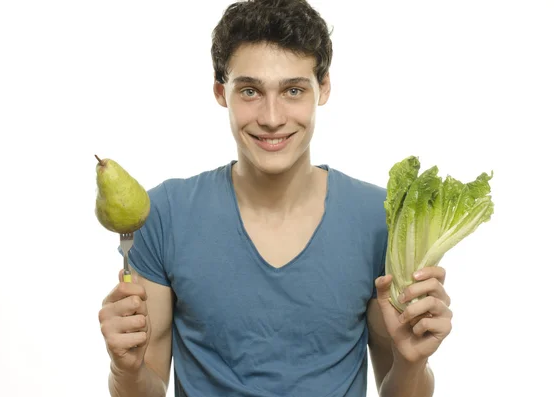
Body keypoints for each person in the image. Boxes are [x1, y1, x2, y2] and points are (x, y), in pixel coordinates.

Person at [98, 0, 454, 396]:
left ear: (324, 88)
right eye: (250, 90)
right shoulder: (164, 214)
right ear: (221, 92)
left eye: (293, 90)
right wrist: (124, 368)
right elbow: (144, 388)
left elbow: (399, 388)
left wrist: (412, 360)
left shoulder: (380, 219)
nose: (271, 117)